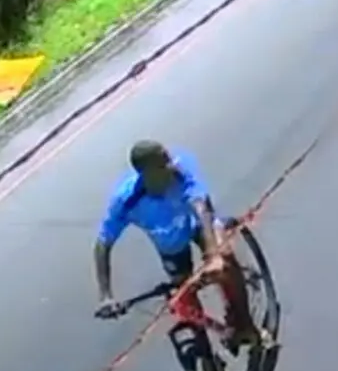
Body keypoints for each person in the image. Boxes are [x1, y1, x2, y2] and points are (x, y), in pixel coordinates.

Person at [93, 139, 261, 350]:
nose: (171, 164)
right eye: (163, 162)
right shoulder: (125, 201)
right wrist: (106, 296)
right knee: (184, 293)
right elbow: (103, 244)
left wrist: (213, 255)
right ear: (145, 173)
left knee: (224, 259)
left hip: (199, 225)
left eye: (169, 158)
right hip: (170, 244)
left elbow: (201, 208)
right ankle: (205, 352)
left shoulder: (181, 172)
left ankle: (245, 323)